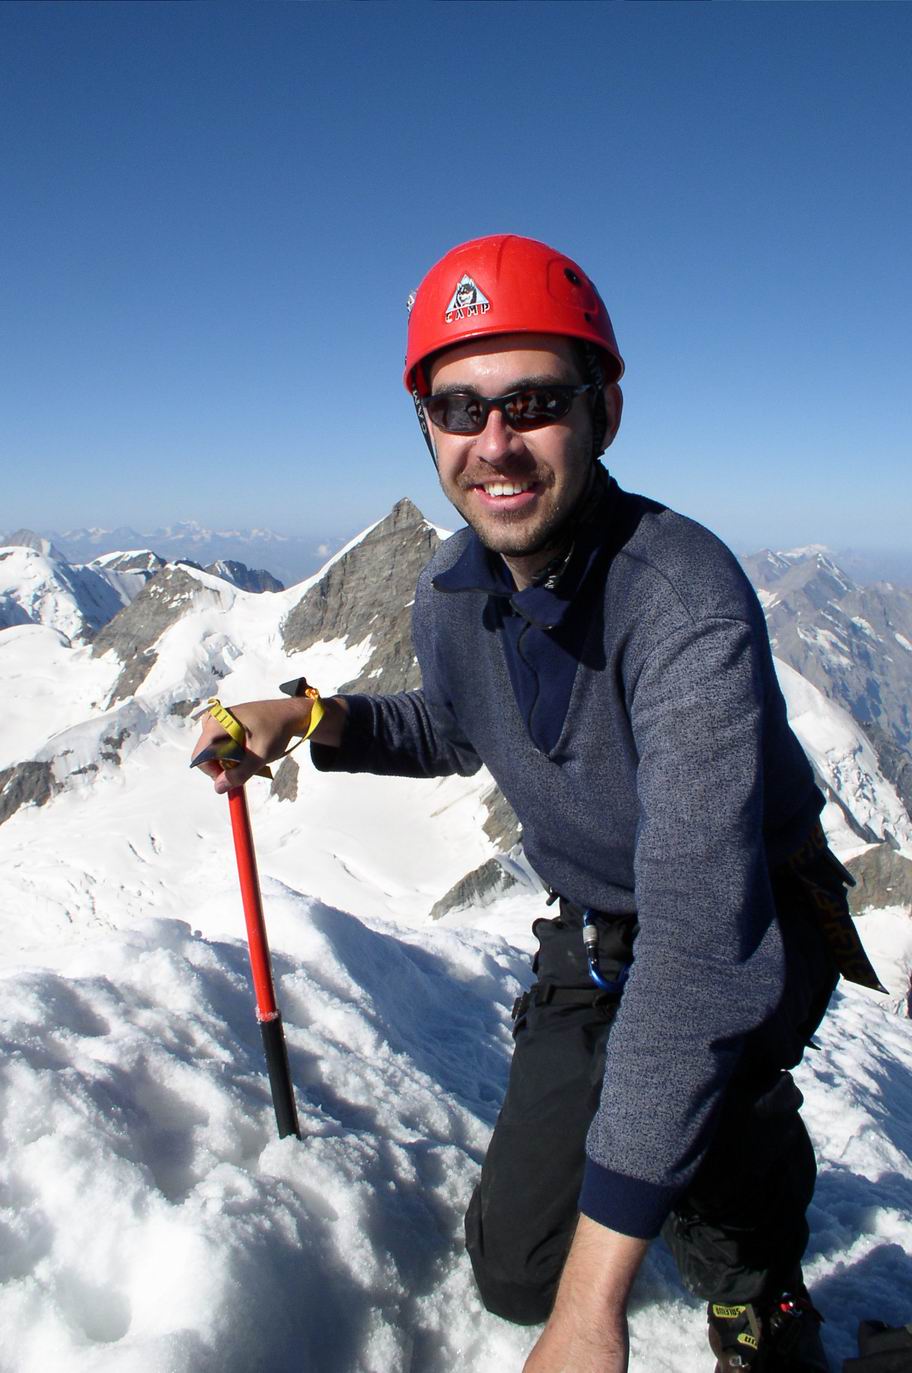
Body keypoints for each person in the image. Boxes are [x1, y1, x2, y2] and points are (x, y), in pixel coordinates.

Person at [192, 235, 876, 1372]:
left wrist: (595, 1311)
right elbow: (456, 727)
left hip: (750, 915)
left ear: (606, 412)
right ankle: (653, 1152)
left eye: (536, 402)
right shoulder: (452, 590)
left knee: (706, 1076)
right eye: (460, 408)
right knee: (516, 1273)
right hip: (598, 929)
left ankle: (761, 1290)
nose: (495, 442)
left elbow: (704, 947)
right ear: (427, 427)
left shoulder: (681, 599)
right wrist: (307, 715)